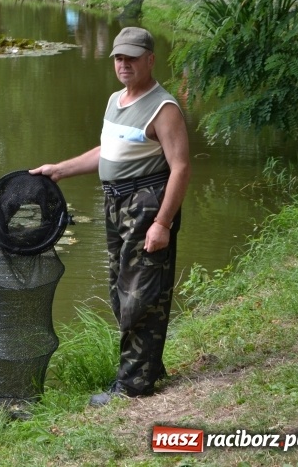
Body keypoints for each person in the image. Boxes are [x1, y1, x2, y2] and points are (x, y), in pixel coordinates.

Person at [29, 27, 190, 407]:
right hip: (114, 204)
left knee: (142, 293)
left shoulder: (163, 108)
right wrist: (60, 169)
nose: (124, 64)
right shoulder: (116, 100)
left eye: (133, 57)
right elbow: (108, 150)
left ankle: (132, 387)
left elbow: (181, 168)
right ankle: (148, 366)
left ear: (150, 59)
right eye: (119, 57)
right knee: (121, 291)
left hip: (146, 204)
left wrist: (162, 223)